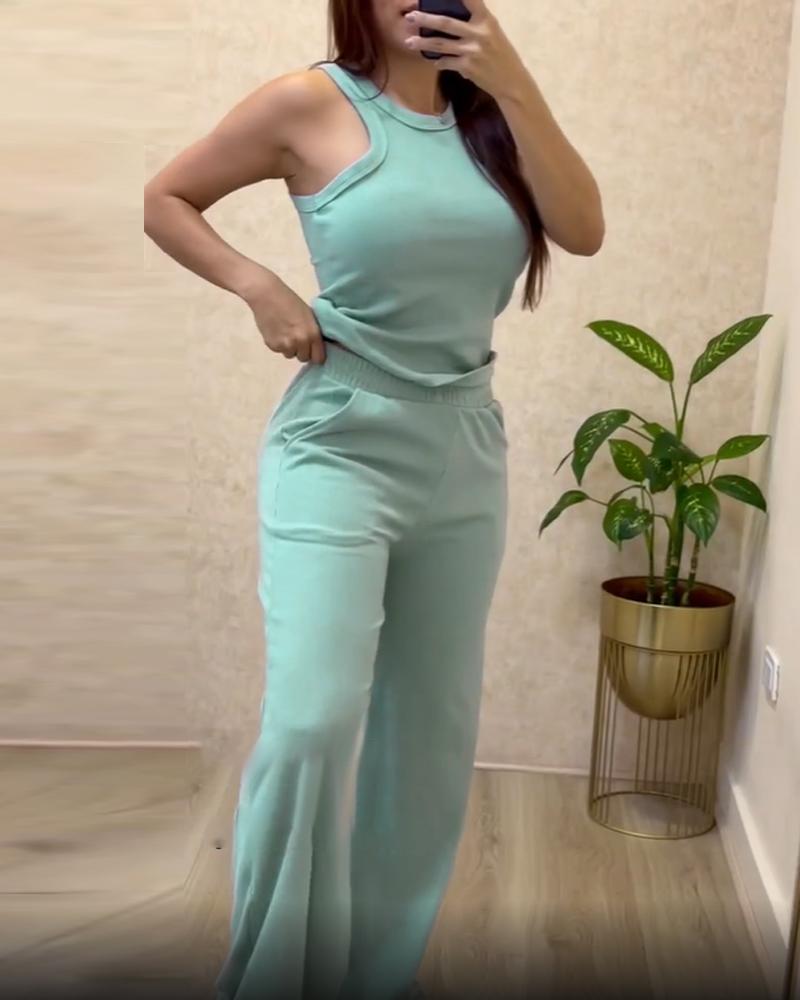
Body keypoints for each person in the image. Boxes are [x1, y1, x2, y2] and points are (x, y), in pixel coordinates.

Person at [144, 0, 604, 996]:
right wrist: (258, 284)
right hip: (338, 443)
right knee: (312, 718)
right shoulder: (306, 103)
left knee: (428, 736)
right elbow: (166, 198)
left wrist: (515, 80)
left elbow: (583, 230)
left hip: (464, 451)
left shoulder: (494, 119)